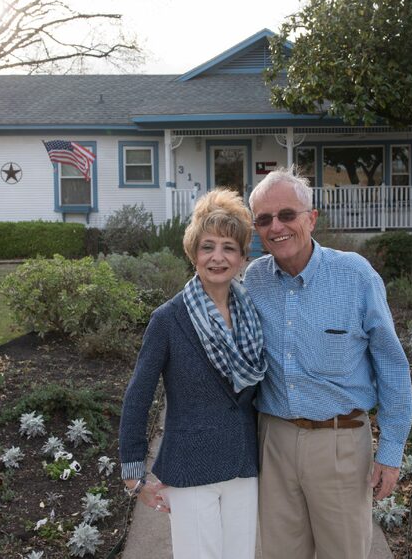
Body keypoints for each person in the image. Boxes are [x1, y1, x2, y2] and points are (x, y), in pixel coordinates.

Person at [244, 168, 412, 559]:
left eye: (287, 214)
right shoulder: (253, 281)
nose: (277, 227)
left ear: (312, 218)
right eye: (264, 220)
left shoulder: (355, 275)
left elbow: (392, 366)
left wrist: (390, 453)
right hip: (274, 441)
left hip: (340, 442)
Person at [119, 188, 266, 559]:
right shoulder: (168, 319)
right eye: (208, 246)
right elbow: (139, 395)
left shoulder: (253, 313)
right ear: (193, 253)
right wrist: (134, 473)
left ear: (243, 255)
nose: (218, 257)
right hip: (190, 466)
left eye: (229, 247)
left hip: (243, 465)